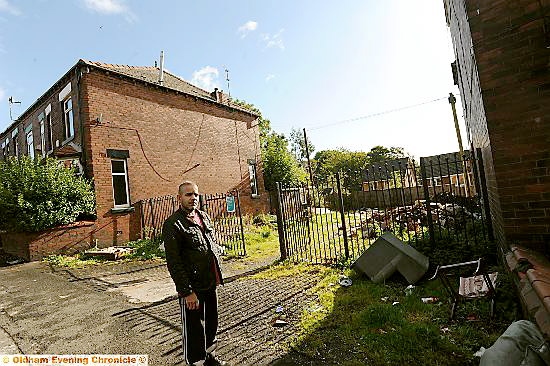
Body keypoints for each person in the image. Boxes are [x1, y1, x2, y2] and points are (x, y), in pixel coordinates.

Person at [162, 181, 227, 366]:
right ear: (179, 198)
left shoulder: (203, 217)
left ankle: (210, 356)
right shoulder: (173, 224)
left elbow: (210, 245)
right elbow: (174, 262)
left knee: (212, 322)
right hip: (192, 287)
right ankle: (196, 362)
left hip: (210, 281)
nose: (193, 198)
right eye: (188, 195)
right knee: (193, 328)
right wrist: (186, 291)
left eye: (196, 195)